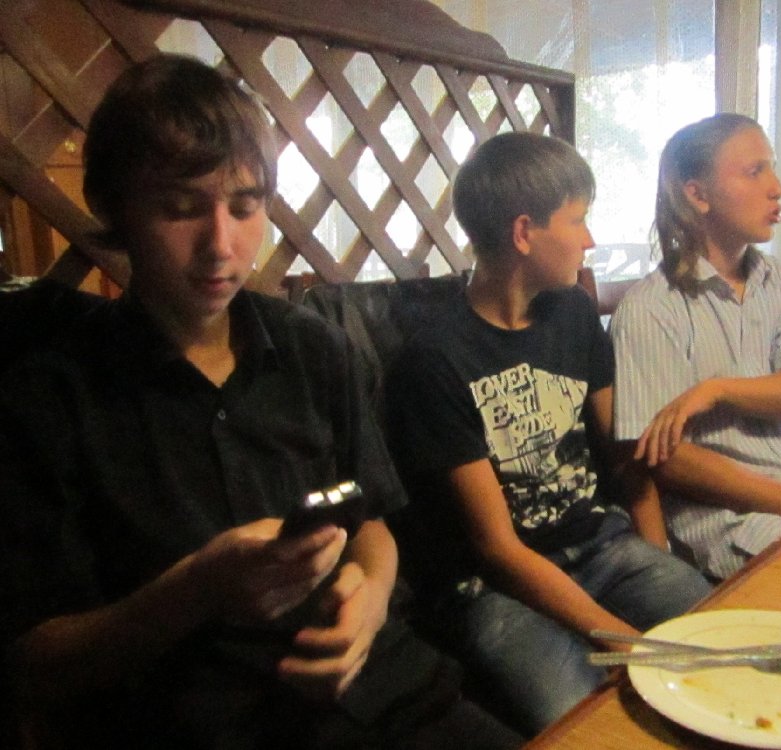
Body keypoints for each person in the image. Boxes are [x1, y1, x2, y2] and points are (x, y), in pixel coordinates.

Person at [0, 54, 522, 749]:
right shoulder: (50, 394)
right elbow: (34, 665)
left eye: (245, 207)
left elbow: (372, 521)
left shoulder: (314, 348)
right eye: (180, 208)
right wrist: (195, 589)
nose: (221, 245)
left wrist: (368, 603)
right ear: (114, 207)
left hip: (385, 690)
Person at [385, 131, 712, 736]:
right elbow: (497, 550)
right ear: (523, 232)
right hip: (490, 589)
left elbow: (624, 454)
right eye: (578, 220)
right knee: (584, 719)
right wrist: (625, 641)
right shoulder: (434, 362)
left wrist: (657, 556)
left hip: (600, 548)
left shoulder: (573, 313)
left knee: (717, 633)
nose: (590, 240)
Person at [610, 113, 781, 583]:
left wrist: (717, 390)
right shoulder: (652, 308)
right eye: (755, 172)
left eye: (772, 168)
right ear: (698, 195)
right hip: (731, 529)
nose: (777, 188)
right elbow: (665, 460)